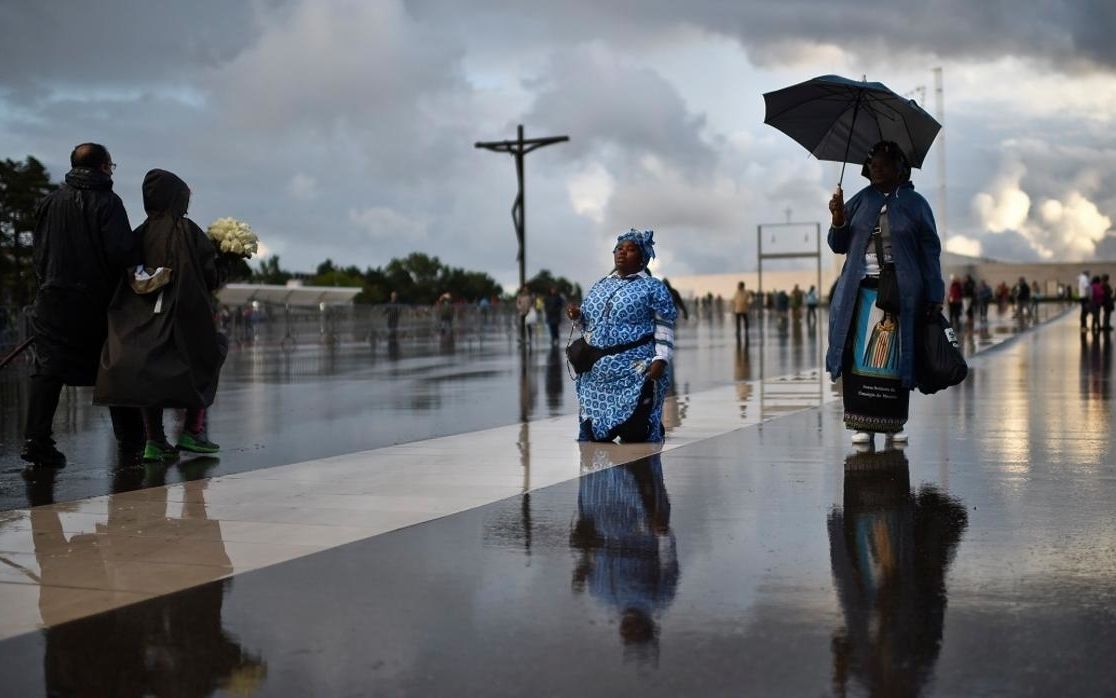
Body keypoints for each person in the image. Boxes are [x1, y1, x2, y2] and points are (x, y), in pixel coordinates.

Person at [21, 143, 144, 469]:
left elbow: (39, 253)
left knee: (48, 370)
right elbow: (121, 253)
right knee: (114, 365)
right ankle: (132, 442)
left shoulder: (50, 202)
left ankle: (37, 440)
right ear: (104, 167)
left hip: (52, 299)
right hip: (95, 302)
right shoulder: (108, 202)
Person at [94, 169, 226, 462]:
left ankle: (155, 440)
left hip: (143, 322)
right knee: (209, 354)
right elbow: (210, 276)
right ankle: (193, 431)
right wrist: (229, 261)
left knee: (149, 373)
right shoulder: (187, 231)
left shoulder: (138, 233)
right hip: (180, 319)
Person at [827, 140, 944, 446]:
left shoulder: (916, 204)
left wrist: (935, 292)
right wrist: (838, 219)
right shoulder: (860, 201)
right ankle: (859, 422)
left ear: (898, 168)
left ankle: (893, 423)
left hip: (900, 294)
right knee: (858, 356)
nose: (874, 169)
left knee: (894, 359)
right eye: (871, 165)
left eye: (881, 164)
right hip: (859, 292)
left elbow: (930, 251)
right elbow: (838, 244)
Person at [567, 229, 677, 443]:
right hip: (596, 373)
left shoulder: (652, 287)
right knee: (598, 436)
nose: (622, 253)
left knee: (634, 434)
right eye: (619, 249)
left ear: (643, 257)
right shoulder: (600, 285)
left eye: (630, 249)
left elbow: (664, 326)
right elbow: (587, 325)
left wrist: (661, 358)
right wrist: (577, 316)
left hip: (633, 369)